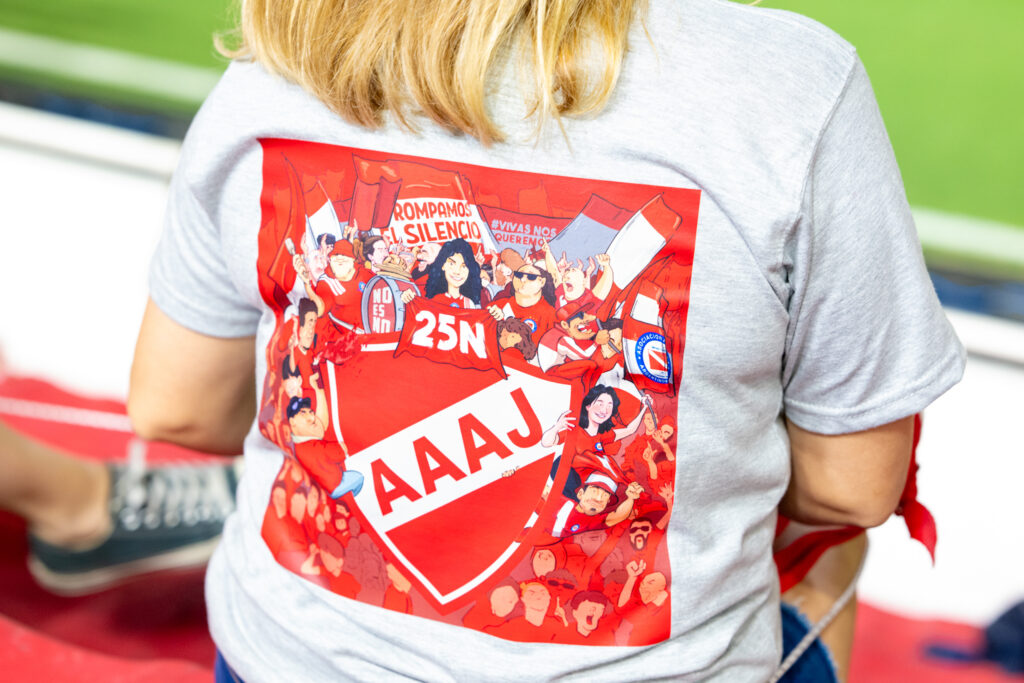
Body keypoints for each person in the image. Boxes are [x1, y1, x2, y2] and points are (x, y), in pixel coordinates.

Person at [128, 0, 965, 680]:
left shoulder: (272, 63)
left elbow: (176, 406)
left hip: (281, 659)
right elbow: (856, 488)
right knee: (833, 559)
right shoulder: (793, 82)